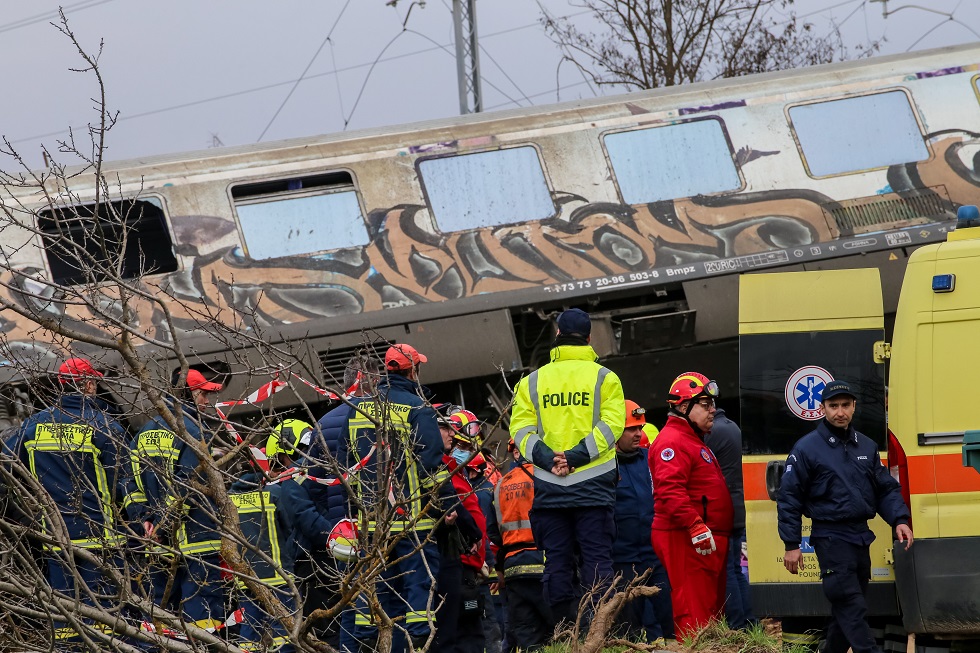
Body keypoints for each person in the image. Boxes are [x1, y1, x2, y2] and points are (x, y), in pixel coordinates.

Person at [778, 380, 913, 653]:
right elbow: (788, 498)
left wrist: (900, 519)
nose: (840, 412)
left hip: (860, 537)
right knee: (851, 604)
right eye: (833, 406)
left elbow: (886, 489)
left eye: (845, 405)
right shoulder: (806, 449)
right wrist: (791, 544)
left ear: (854, 406)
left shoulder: (866, 446)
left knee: (846, 611)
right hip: (830, 537)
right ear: (822, 408)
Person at [511, 307, 626, 628]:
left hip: (551, 489)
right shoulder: (605, 378)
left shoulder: (532, 381)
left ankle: (565, 632)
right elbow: (612, 426)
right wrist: (576, 457)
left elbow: (520, 431)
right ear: (589, 338)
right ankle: (598, 631)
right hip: (593, 488)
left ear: (557, 336)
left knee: (557, 563)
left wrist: (551, 459)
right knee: (597, 560)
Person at [12, 357, 129, 643]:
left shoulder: (33, 426)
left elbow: (9, 465)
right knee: (105, 614)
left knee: (67, 615)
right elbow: (125, 483)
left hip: (55, 536)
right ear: (89, 385)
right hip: (99, 537)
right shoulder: (104, 427)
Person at [340, 343, 447, 652]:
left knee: (377, 587)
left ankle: (372, 641)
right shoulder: (417, 408)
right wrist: (441, 503)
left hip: (371, 523)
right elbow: (431, 460)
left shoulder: (358, 410)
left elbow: (345, 464)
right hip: (410, 518)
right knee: (418, 584)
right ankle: (418, 640)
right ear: (413, 370)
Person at [130, 367, 228, 631]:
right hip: (197, 538)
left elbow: (129, 483)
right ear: (188, 393)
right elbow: (188, 486)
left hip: (157, 543)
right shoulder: (193, 433)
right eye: (203, 395)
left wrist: (144, 521)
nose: (207, 402)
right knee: (205, 611)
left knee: (161, 610)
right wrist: (162, 523)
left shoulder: (145, 431)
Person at [648, 372, 733, 640]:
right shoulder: (672, 441)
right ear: (684, 407)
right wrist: (695, 525)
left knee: (708, 611)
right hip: (685, 537)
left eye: (713, 404)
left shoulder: (691, 439)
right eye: (706, 404)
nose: (713, 410)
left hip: (702, 538)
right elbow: (669, 490)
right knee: (694, 613)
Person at [306, 354, 380, 650]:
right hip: (382, 528)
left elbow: (313, 482)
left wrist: (335, 524)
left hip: (345, 534)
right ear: (372, 382)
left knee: (351, 604)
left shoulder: (324, 423)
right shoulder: (384, 419)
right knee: (385, 602)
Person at [612, 400, 672, 645]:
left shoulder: (651, 459)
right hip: (623, 561)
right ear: (615, 430)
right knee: (628, 629)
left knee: (671, 621)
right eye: (631, 429)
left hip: (656, 556)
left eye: (641, 427)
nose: (639, 433)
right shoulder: (603, 466)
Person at [486, 439, 550, 652]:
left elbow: (493, 532)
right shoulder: (545, 477)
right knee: (558, 626)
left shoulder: (499, 485)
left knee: (527, 632)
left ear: (515, 453)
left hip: (513, 567)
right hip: (545, 561)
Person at [433, 404, 486, 653]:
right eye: (463, 446)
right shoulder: (443, 474)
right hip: (458, 562)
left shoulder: (459, 473)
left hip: (469, 566)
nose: (469, 451)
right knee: (463, 637)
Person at [703, 404, 756, 629]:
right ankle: (749, 623)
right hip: (736, 505)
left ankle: (736, 625)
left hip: (722, 507)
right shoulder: (731, 426)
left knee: (726, 570)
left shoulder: (713, 431)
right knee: (734, 567)